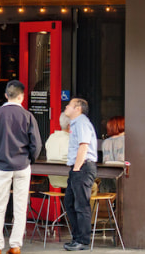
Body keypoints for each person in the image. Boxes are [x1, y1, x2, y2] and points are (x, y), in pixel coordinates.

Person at [0, 80, 42, 254]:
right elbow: (36, 144)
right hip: (23, 165)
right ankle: (15, 245)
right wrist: (30, 159)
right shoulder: (28, 116)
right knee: (20, 207)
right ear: (22, 97)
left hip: (2, 166)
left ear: (6, 95)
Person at [62, 98, 97, 251]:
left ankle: (82, 240)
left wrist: (76, 168)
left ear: (78, 108)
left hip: (82, 168)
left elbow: (84, 145)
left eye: (69, 105)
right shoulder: (76, 123)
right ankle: (76, 237)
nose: (66, 106)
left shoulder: (81, 122)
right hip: (78, 168)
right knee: (69, 203)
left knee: (81, 205)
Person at [44, 113, 71, 189]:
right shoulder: (72, 140)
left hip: (53, 179)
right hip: (69, 179)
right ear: (69, 125)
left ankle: (66, 200)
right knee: (92, 185)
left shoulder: (51, 137)